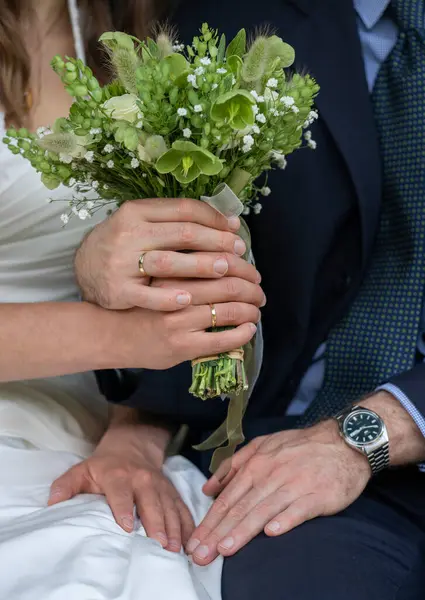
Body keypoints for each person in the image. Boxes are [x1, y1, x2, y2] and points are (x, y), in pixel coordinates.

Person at [68, 0, 425, 598]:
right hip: (295, 460)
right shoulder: (229, 19)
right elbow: (196, 255)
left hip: (342, 441)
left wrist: (371, 430)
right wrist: (138, 429)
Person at [0, 0, 263, 597]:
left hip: (91, 414)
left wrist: (135, 428)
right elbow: (135, 330)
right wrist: (131, 340)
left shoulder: (127, 20)